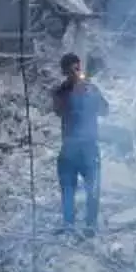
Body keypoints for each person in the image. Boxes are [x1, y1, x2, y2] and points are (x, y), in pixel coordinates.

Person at [51, 52, 108, 235]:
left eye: (77, 69)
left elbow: (105, 110)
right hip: (70, 147)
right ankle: (69, 224)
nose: (75, 73)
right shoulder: (61, 92)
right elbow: (58, 110)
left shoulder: (91, 89)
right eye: (71, 70)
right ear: (64, 72)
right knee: (68, 188)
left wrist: (89, 95)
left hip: (89, 146)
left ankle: (90, 226)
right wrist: (74, 94)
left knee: (93, 188)